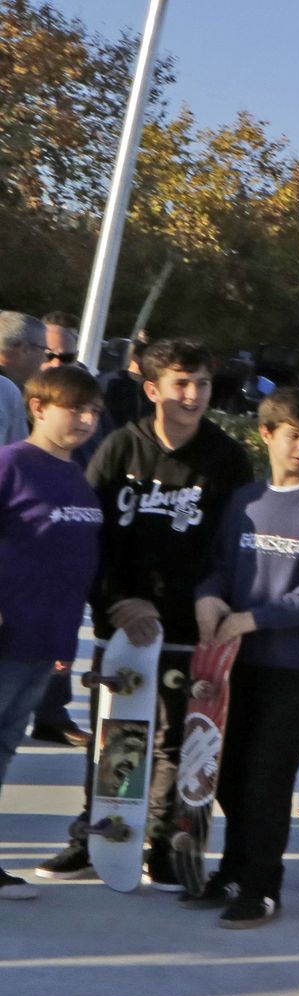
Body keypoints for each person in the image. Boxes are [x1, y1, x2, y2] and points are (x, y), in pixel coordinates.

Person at [35, 339, 255, 887]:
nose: (193, 395)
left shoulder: (226, 458)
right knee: (120, 735)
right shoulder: (118, 449)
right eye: (181, 383)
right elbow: (92, 536)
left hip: (189, 626)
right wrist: (112, 600)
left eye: (202, 383)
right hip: (124, 624)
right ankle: (103, 836)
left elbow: (231, 548)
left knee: (176, 741)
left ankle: (161, 844)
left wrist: (208, 600)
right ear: (152, 389)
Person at [181, 388, 299, 928]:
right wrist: (208, 596)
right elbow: (215, 564)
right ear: (267, 435)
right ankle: (232, 871)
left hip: (293, 663)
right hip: (235, 663)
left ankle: (262, 886)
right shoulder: (245, 500)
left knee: (268, 777)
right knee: (229, 772)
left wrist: (254, 619)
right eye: (293, 435)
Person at [0, 367, 104, 900]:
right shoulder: (12, 464)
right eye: (73, 408)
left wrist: (65, 644)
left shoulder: (77, 474)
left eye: (93, 411)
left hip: (45, 643)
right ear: (37, 407)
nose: (85, 420)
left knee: (5, 746)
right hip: (6, 636)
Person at [0, 311, 47, 445]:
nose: (45, 358)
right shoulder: (7, 390)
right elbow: (16, 454)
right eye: (43, 350)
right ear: (24, 349)